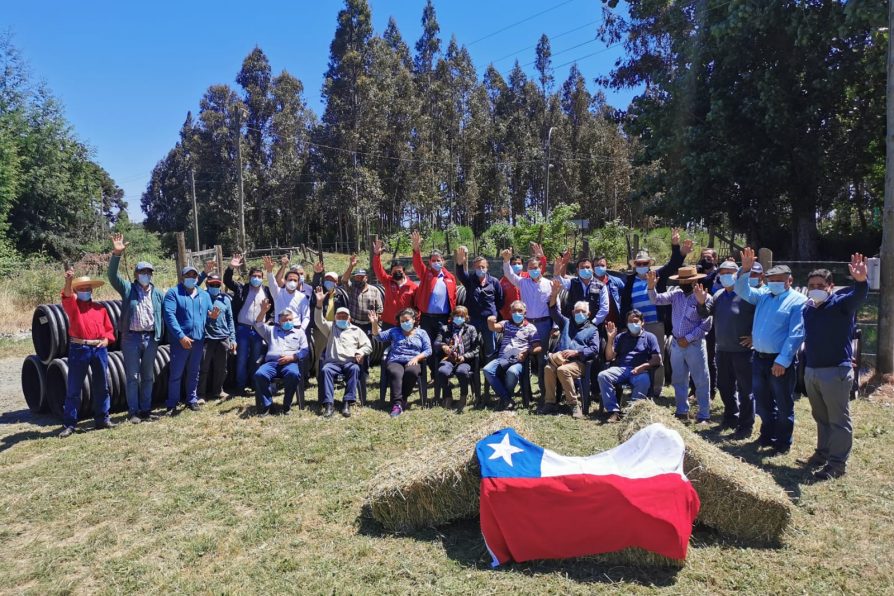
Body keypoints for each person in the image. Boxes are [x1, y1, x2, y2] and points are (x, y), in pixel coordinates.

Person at [799, 254, 868, 480]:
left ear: (830, 287)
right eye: (812, 285)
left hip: (835, 371)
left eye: (820, 285)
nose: (815, 288)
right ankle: (823, 453)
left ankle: (837, 464)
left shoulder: (840, 304)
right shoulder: (808, 308)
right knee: (821, 416)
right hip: (813, 370)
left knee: (838, 419)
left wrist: (861, 281)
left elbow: (858, 296)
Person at [735, 247, 806, 455]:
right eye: (771, 278)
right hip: (759, 358)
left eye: (779, 279)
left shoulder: (797, 301)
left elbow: (796, 334)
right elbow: (743, 290)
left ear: (789, 281)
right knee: (763, 401)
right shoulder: (764, 295)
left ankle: (783, 441)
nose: (774, 281)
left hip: (778, 361)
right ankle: (767, 434)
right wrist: (745, 270)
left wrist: (782, 361)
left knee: (783, 403)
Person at [619, 229, 692, 396]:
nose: (642, 266)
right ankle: (639, 386)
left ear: (650, 264)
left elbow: (674, 264)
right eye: (639, 264)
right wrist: (625, 325)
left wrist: (676, 246)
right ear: (635, 265)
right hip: (636, 325)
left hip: (656, 323)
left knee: (657, 357)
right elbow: (625, 304)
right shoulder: (629, 280)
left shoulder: (658, 275)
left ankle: (656, 389)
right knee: (637, 355)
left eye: (645, 264)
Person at [694, 260, 756, 437]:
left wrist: (755, 337)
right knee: (725, 387)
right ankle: (730, 418)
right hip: (722, 350)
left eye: (730, 272)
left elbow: (761, 317)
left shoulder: (747, 294)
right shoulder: (719, 295)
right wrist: (700, 302)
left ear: (737, 274)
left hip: (743, 352)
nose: (726, 275)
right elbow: (705, 314)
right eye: (723, 272)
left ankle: (745, 426)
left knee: (746, 391)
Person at [108, 232, 164, 424]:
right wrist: (116, 254)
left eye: (148, 272)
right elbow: (112, 276)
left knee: (148, 376)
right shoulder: (127, 289)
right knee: (133, 376)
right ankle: (133, 412)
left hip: (150, 338)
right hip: (131, 338)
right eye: (142, 272)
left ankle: (146, 410)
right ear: (136, 275)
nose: (145, 275)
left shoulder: (158, 294)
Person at [647, 266, 713, 423]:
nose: (684, 283)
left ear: (695, 280)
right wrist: (651, 287)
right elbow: (656, 299)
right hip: (677, 344)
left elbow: (707, 323)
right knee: (678, 379)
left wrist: (689, 338)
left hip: (694, 344)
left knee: (701, 379)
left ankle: (704, 414)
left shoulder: (704, 297)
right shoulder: (676, 294)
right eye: (682, 280)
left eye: (687, 280)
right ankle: (682, 411)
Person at [58, 269, 116, 437]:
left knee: (102, 385)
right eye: (82, 289)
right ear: (77, 291)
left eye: (88, 288)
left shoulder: (100, 309)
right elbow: (67, 296)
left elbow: (109, 330)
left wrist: (106, 340)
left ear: (92, 290)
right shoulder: (73, 307)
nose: (85, 291)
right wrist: (69, 280)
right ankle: (70, 424)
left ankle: (102, 419)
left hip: (99, 349)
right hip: (79, 348)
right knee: (74, 388)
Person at [538, 278, 601, 419]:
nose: (579, 314)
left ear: (588, 314)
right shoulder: (566, 323)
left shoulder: (593, 330)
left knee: (562, 370)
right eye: (577, 311)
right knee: (548, 368)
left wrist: (577, 352)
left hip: (579, 363)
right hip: (561, 359)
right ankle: (550, 403)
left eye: (583, 312)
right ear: (572, 313)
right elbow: (553, 311)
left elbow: (594, 349)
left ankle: (574, 405)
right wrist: (554, 294)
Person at [314, 288, 372, 418]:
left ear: (349, 319)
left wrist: (361, 351)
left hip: (349, 362)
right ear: (335, 318)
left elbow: (368, 345)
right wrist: (319, 304)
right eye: (339, 316)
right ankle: (329, 404)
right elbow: (319, 321)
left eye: (344, 317)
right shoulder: (330, 328)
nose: (341, 318)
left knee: (355, 369)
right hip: (333, 363)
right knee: (325, 371)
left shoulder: (356, 330)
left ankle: (347, 402)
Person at [163, 266, 214, 415]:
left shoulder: (204, 295)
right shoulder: (173, 293)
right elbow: (169, 316)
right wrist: (180, 336)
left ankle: (192, 399)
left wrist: (213, 316)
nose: (191, 278)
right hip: (181, 341)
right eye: (188, 275)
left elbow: (209, 315)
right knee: (176, 373)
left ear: (197, 278)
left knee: (194, 371)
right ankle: (172, 403)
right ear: (182, 277)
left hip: (198, 340)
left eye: (194, 275)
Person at [597, 312, 662, 423]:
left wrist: (643, 366)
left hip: (640, 371)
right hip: (621, 369)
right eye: (630, 322)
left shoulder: (650, 337)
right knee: (603, 376)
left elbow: (657, 359)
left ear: (642, 322)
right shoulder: (621, 337)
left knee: (644, 380)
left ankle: (632, 412)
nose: (633, 324)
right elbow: (609, 357)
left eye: (636, 321)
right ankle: (613, 411)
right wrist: (611, 339)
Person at [370, 307, 432, 418]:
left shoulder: (422, 333)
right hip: (396, 360)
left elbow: (428, 350)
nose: (404, 323)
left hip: (413, 360)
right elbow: (378, 337)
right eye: (402, 321)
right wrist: (374, 323)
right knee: (395, 373)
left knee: (412, 373)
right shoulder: (394, 331)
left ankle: (403, 398)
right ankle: (397, 404)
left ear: (414, 319)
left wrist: (417, 358)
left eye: (407, 320)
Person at [225, 254, 274, 394]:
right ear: (249, 277)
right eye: (254, 276)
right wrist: (230, 268)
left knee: (256, 358)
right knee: (241, 359)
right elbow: (227, 281)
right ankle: (240, 387)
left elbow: (273, 308)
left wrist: (269, 321)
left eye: (259, 276)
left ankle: (255, 384)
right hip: (243, 329)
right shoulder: (242, 289)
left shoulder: (267, 291)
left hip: (259, 330)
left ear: (262, 278)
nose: (256, 279)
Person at [252, 300, 310, 416]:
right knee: (259, 374)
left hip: (290, 363)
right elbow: (257, 324)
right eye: (285, 320)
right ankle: (268, 405)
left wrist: (293, 357)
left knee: (293, 374)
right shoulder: (271, 330)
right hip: (272, 363)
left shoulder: (299, 333)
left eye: (290, 319)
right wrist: (263, 311)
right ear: (279, 321)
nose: (288, 322)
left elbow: (305, 351)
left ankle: (286, 405)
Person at [483, 301, 541, 411]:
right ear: (510, 312)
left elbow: (538, 347)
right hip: (503, 358)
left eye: (520, 311)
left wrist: (527, 351)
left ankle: (505, 399)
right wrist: (490, 322)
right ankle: (507, 399)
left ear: (525, 313)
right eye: (514, 311)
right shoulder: (506, 323)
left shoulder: (530, 327)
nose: (517, 313)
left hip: (518, 360)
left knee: (512, 372)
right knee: (487, 369)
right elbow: (493, 327)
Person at [500, 247, 554, 360]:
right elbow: (509, 274)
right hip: (527, 324)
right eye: (530, 268)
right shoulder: (523, 282)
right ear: (527, 269)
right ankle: (525, 377)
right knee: (524, 351)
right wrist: (506, 260)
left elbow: (555, 305)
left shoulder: (549, 284)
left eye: (535, 267)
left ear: (540, 268)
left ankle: (542, 378)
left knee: (542, 354)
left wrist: (555, 326)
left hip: (544, 323)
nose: (533, 270)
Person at [411, 231, 458, 357]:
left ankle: (439, 374)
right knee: (427, 344)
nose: (436, 262)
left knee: (442, 344)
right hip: (427, 317)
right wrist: (416, 248)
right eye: (433, 260)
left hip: (443, 318)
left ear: (443, 261)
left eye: (438, 260)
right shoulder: (426, 274)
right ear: (430, 262)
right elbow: (417, 264)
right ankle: (431, 373)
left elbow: (453, 297)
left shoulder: (450, 277)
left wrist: (452, 315)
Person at [454, 246, 503, 359]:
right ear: (473, 268)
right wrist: (460, 264)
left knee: (491, 350)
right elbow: (461, 275)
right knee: (471, 347)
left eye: (482, 267)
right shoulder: (470, 280)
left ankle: (489, 375)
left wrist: (493, 314)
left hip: (489, 321)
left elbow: (500, 301)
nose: (480, 269)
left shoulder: (494, 282)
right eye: (478, 267)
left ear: (487, 267)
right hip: (473, 320)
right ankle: (473, 374)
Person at [197, 274, 236, 403]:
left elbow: (230, 320)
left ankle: (218, 391)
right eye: (212, 284)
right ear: (207, 285)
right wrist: (210, 318)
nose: (215, 287)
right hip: (207, 338)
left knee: (222, 368)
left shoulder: (226, 299)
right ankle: (201, 394)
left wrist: (232, 338)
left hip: (223, 337)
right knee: (204, 367)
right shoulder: (201, 297)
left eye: (217, 285)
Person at [433, 305, 480, 411]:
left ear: (466, 317)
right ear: (452, 316)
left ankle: (463, 396)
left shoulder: (471, 329)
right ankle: (448, 395)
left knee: (462, 372)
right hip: (449, 359)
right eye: (456, 315)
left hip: (464, 360)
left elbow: (476, 348)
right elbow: (436, 343)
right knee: (442, 371)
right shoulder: (445, 328)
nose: (459, 318)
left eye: (462, 316)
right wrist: (443, 345)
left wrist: (465, 356)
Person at [371, 238, 417, 328]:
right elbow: (378, 270)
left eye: (399, 270)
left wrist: (416, 322)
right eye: (395, 271)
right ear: (391, 272)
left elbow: (417, 307)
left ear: (404, 272)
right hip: (388, 323)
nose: (397, 273)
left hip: (405, 323)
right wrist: (377, 255)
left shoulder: (413, 287)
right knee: (387, 342)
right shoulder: (388, 281)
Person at [311, 266, 349, 376]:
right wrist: (317, 274)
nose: (329, 281)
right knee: (320, 353)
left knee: (337, 352)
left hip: (336, 327)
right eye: (327, 279)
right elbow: (315, 285)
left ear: (336, 282)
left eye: (332, 280)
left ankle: (336, 375)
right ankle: (320, 376)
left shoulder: (340, 295)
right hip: (321, 327)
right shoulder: (319, 292)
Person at [553, 254, 610, 326]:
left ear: (592, 269)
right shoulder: (572, 282)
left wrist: (594, 323)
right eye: (582, 268)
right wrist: (556, 270)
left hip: (594, 326)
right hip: (573, 325)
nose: (585, 269)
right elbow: (557, 282)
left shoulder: (601, 286)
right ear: (578, 270)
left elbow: (604, 308)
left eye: (587, 267)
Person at [696, 247, 720, 399]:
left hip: (711, 320)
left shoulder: (719, 275)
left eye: (709, 258)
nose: (706, 260)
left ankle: (711, 390)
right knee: (695, 355)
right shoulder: (697, 274)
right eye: (703, 257)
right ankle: (694, 389)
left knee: (710, 357)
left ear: (715, 259)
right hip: (697, 319)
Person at [498, 247, 547, 321]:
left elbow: (540, 270)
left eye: (519, 263)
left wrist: (542, 258)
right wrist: (505, 315)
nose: (517, 265)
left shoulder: (528, 276)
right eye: (514, 263)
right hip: (510, 316)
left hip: (527, 316)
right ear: (510, 265)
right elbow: (500, 299)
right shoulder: (503, 281)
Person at [265, 255, 310, 332]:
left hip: (296, 329)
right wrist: (269, 271)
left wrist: (301, 330)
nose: (292, 282)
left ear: (298, 282)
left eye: (295, 280)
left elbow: (306, 316)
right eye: (290, 280)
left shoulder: (302, 297)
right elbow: (272, 282)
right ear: (285, 281)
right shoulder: (277, 293)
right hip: (278, 329)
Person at [341, 255, 383, 335]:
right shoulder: (352, 288)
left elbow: (380, 309)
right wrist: (351, 266)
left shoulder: (374, 290)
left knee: (368, 344)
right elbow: (344, 280)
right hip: (354, 323)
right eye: (357, 277)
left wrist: (377, 323)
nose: (359, 279)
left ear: (366, 278)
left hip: (369, 324)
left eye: (361, 277)